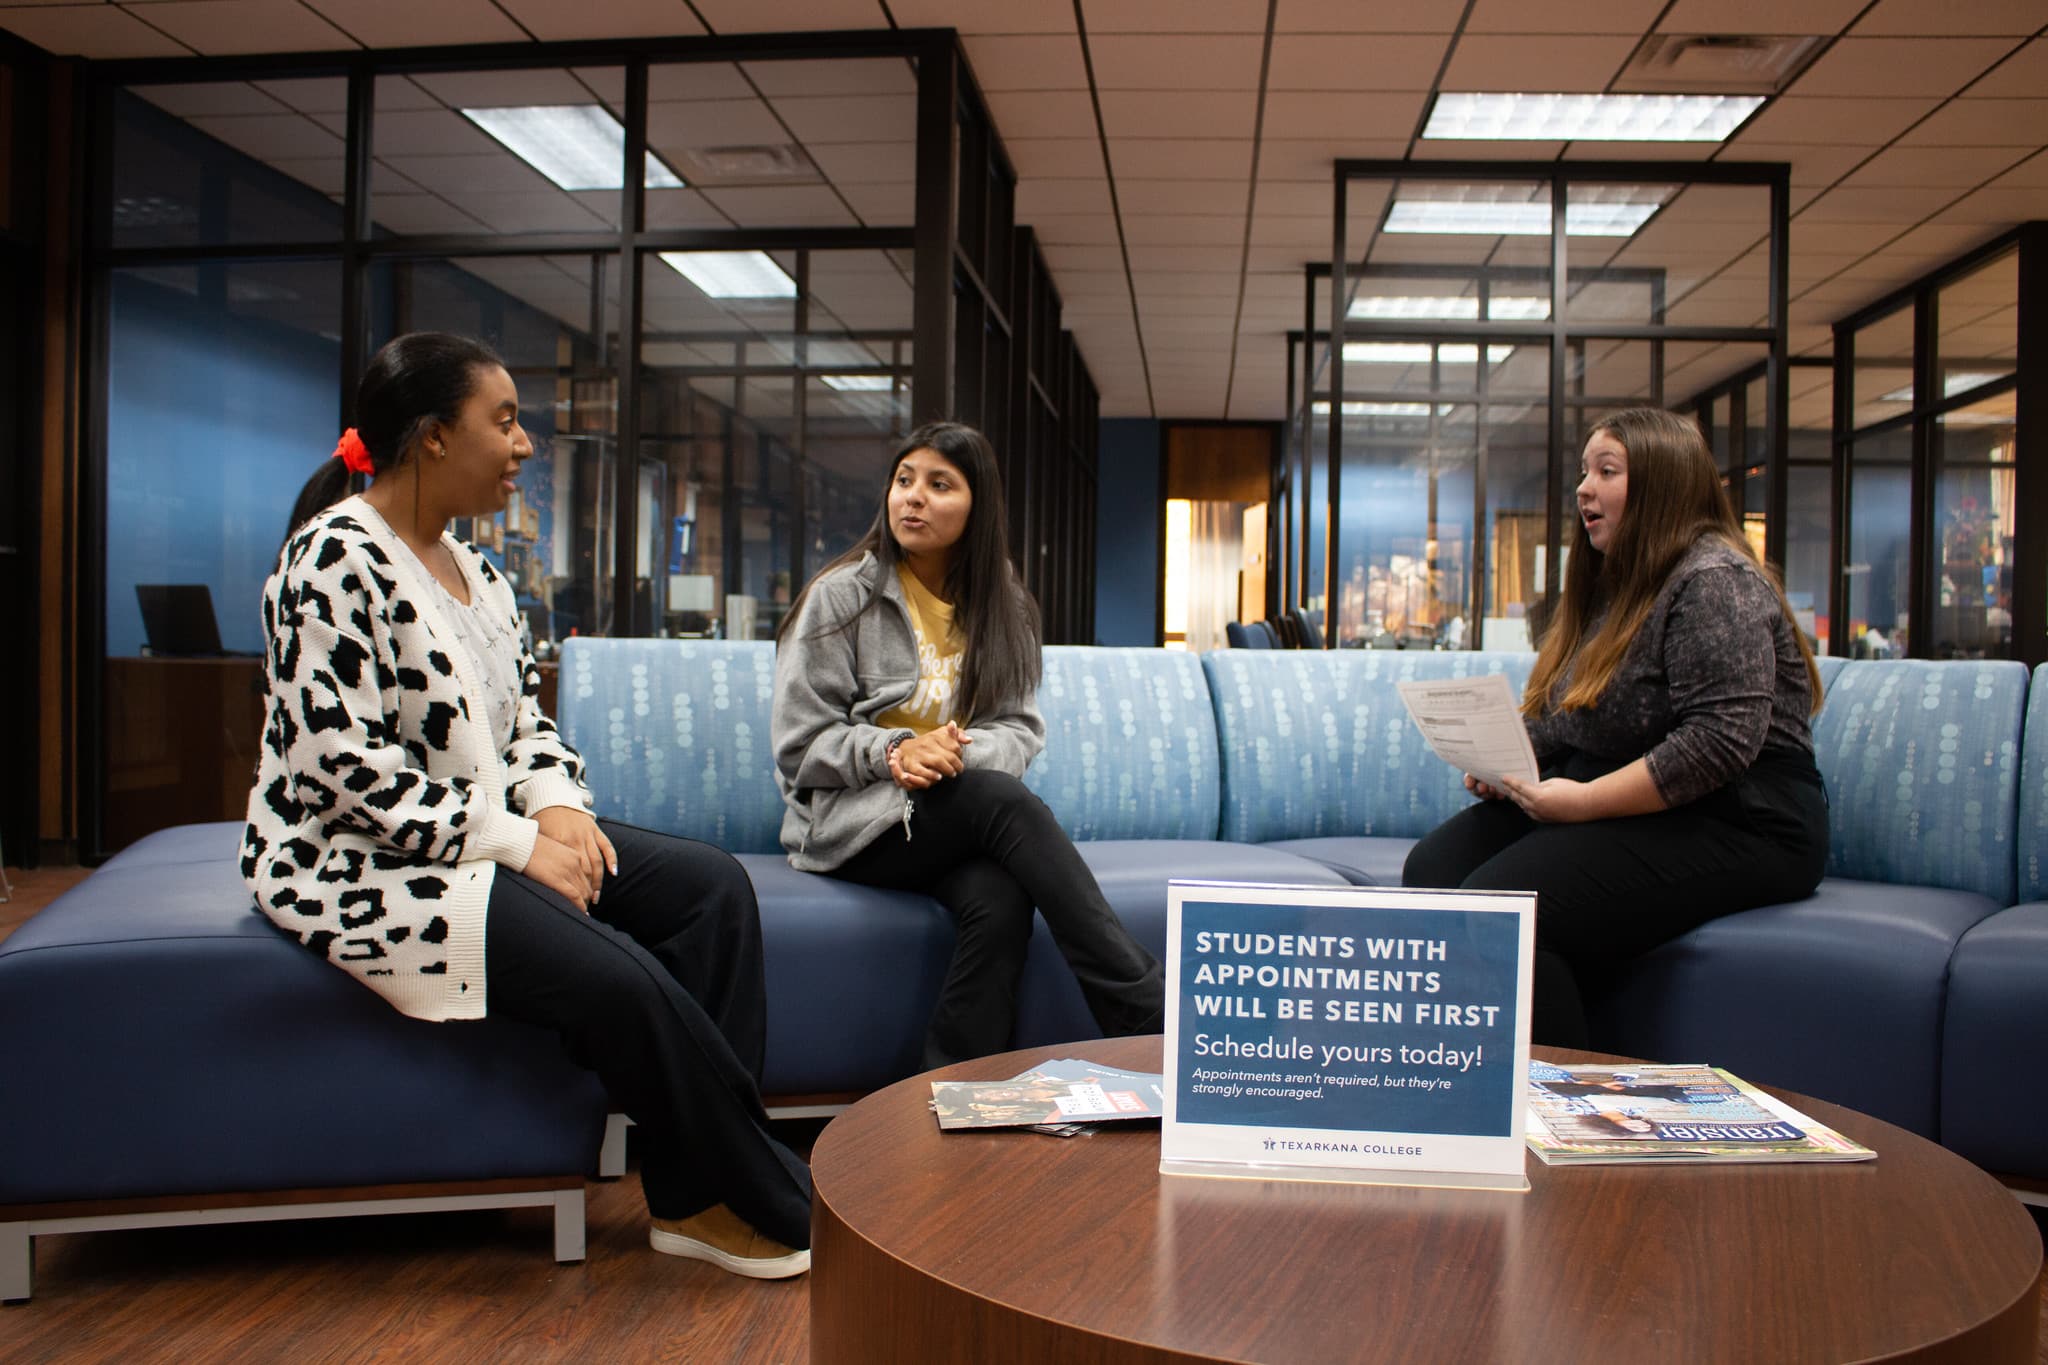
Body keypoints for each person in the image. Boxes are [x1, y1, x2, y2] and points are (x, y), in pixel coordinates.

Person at [241, 332, 811, 1279]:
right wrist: (510, 841)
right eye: (502, 422)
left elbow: (526, 722)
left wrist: (559, 809)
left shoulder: (480, 572)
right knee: (623, 978)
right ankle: (769, 1193)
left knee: (711, 891)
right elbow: (337, 766)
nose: (525, 446)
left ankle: (692, 1195)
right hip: (362, 862)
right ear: (430, 438)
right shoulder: (332, 559)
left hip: (478, 830)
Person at [1402, 407, 1828, 1049]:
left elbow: (1719, 743)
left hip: (1746, 816)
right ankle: (1489, 1071)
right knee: (1432, 870)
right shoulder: (1618, 585)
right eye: (1584, 471)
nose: (1583, 489)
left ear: (1663, 486)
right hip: (1649, 801)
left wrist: (1580, 804)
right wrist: (1508, 764)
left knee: (1507, 903)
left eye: (1607, 471)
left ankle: (1570, 1110)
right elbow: (1578, 709)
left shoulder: (1715, 580)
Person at [771, 420, 1164, 1069]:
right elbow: (800, 743)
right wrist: (896, 753)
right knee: (1000, 802)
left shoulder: (1003, 605)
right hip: (853, 824)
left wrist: (952, 755)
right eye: (904, 480)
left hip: (946, 818)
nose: (913, 498)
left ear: (977, 505)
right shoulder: (840, 598)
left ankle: (954, 1086)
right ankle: (1146, 1010)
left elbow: (1018, 729)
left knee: (1000, 897)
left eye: (939, 484)